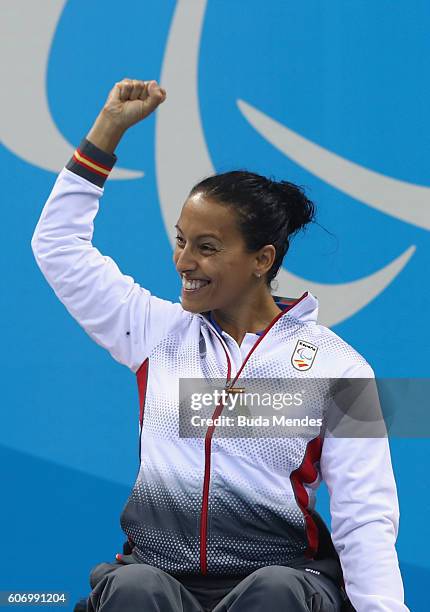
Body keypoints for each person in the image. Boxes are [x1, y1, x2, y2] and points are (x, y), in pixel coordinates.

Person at [31, 78, 408, 612]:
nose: (184, 262)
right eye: (181, 241)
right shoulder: (154, 333)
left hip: (284, 581)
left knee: (276, 591)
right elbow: (58, 247)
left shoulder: (338, 367)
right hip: (159, 575)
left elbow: (365, 514)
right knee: (135, 590)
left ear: (262, 259)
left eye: (206, 248)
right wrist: (108, 131)